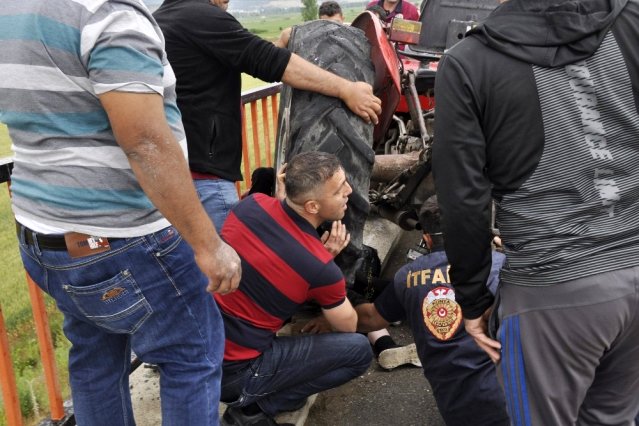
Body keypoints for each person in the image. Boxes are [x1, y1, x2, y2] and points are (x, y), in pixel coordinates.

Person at [0, 0, 242, 425]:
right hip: (120, 238)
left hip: (42, 234)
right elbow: (146, 141)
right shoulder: (107, 13)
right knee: (193, 355)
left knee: (94, 357)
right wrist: (209, 245)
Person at [432, 0, 639, 424]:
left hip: (554, 286)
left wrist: (472, 299)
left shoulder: (468, 62)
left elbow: (463, 200)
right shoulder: (631, 20)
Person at [153, 0, 381, 232]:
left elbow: (245, 53)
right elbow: (272, 62)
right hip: (204, 181)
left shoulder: (162, 19)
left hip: (170, 173)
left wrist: (279, 44)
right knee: (225, 263)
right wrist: (346, 89)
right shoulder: (200, 16)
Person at [215, 151, 372, 425]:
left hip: (204, 352)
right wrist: (326, 263)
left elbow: (275, 240)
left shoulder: (249, 205)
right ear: (312, 206)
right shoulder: (320, 267)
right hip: (237, 376)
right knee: (359, 351)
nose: (349, 191)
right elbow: (348, 326)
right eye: (339, 190)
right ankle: (253, 411)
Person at [355, 197, 509, 425]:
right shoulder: (501, 265)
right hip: (514, 396)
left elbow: (370, 320)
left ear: (426, 239)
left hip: (456, 406)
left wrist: (332, 304)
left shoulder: (406, 276)